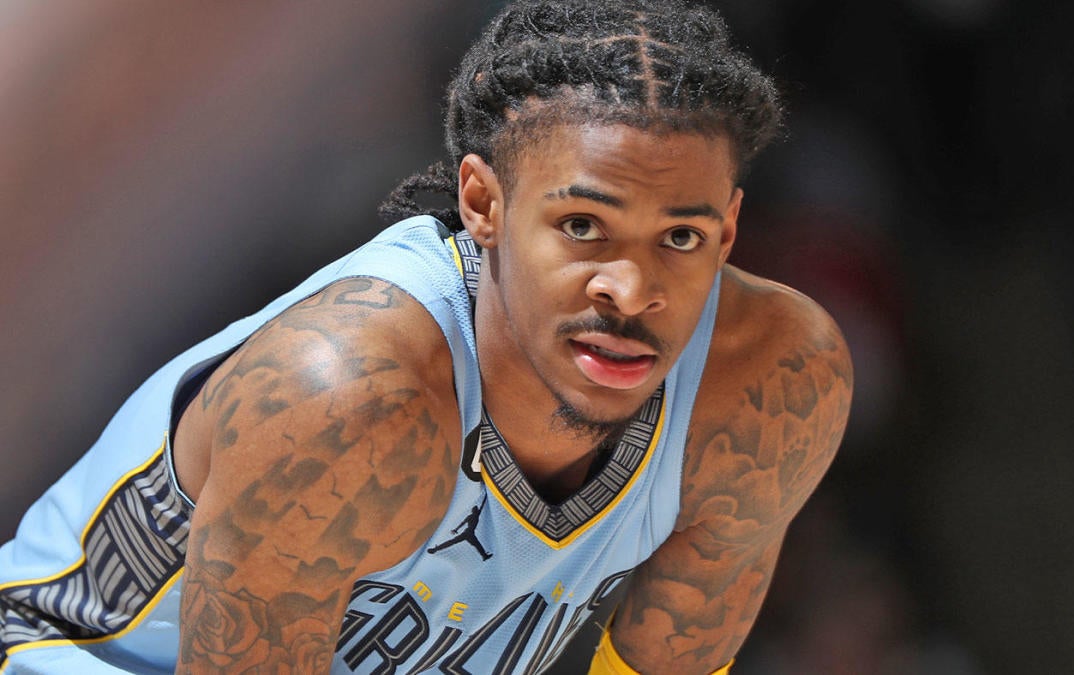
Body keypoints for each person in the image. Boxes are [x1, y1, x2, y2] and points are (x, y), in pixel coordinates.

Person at [0, 0, 852, 672]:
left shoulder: (774, 380)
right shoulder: (346, 396)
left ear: (730, 229)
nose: (629, 290)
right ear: (483, 204)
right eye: (584, 225)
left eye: (680, 238)